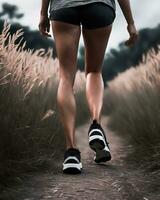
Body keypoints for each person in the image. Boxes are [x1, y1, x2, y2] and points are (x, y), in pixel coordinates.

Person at [38, 0, 139, 174]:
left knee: (66, 78)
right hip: (100, 7)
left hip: (64, 7)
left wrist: (42, 14)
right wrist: (130, 23)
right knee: (94, 71)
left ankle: (71, 153)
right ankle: (96, 125)